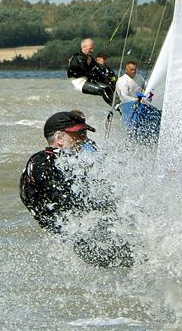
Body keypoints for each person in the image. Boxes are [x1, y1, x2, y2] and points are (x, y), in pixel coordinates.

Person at [19, 111, 133, 267]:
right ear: (59, 138)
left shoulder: (70, 159)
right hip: (78, 237)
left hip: (92, 228)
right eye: (79, 134)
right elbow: (66, 201)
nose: (84, 139)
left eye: (84, 133)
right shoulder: (41, 162)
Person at [67, 38, 114, 105]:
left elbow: (97, 69)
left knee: (109, 87)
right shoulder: (77, 58)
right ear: (83, 47)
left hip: (87, 79)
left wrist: (106, 77)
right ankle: (116, 107)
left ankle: (119, 104)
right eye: (90, 48)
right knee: (102, 90)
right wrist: (97, 76)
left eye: (93, 48)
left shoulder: (90, 58)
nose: (92, 50)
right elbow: (86, 72)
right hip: (78, 81)